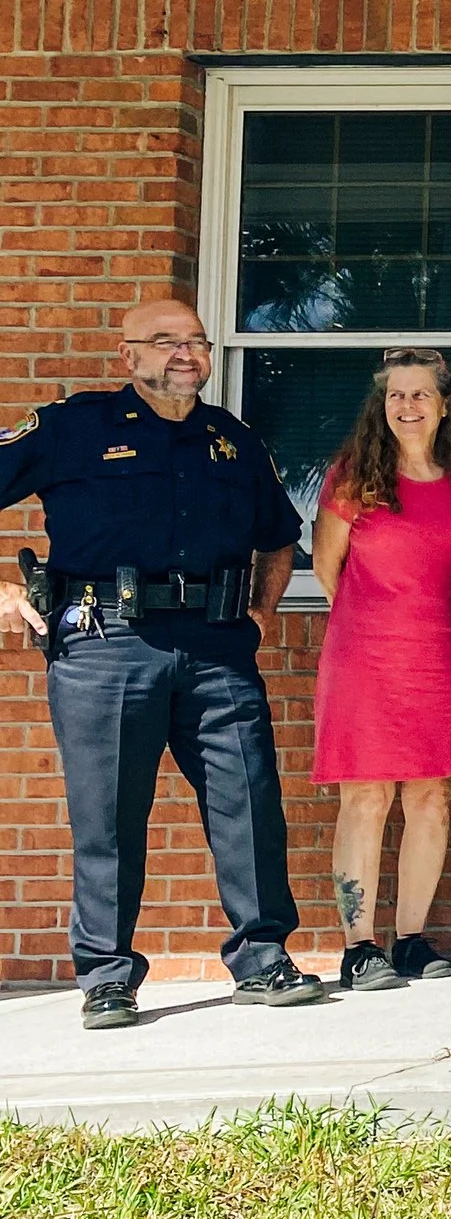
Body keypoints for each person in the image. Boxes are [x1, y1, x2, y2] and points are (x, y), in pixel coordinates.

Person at [0, 298, 321, 1028]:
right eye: (166, 341)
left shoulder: (232, 441)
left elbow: (278, 536)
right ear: (129, 357)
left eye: (197, 342)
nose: (186, 354)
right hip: (105, 644)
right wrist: (5, 588)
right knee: (109, 816)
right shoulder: (73, 427)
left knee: (250, 802)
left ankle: (263, 958)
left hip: (217, 647)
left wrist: (263, 614)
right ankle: (107, 976)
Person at [310, 349, 451, 990]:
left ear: (446, 404)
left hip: (443, 654)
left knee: (432, 797)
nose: (407, 406)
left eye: (420, 395)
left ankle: (411, 938)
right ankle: (359, 947)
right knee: (365, 796)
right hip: (365, 657)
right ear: (381, 406)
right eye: (396, 396)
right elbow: (328, 571)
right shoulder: (354, 473)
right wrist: (377, 619)